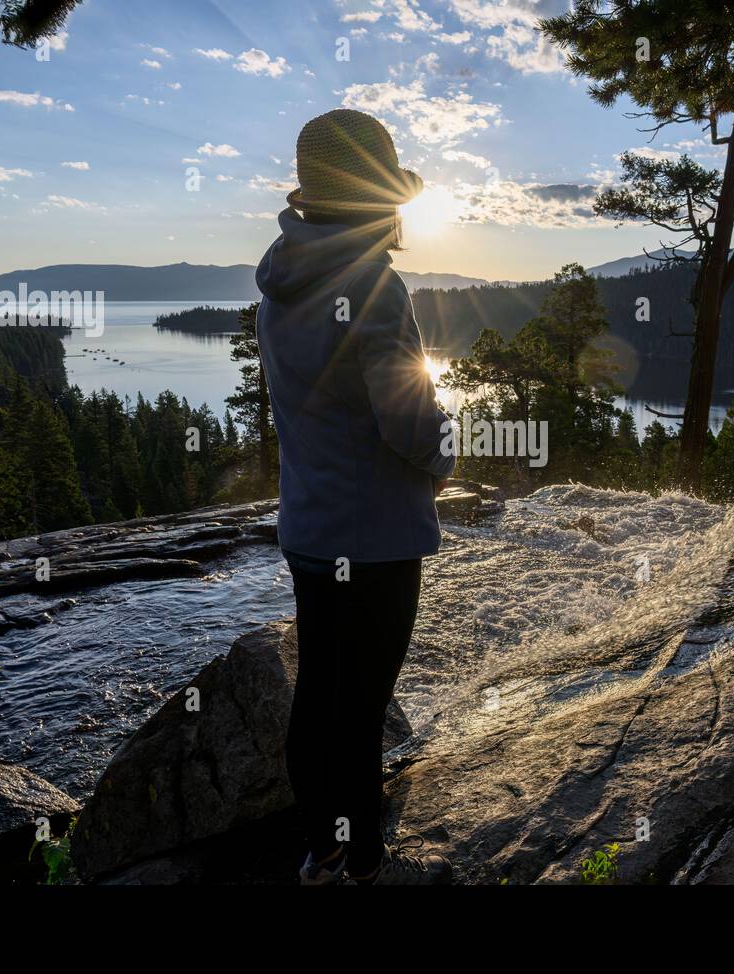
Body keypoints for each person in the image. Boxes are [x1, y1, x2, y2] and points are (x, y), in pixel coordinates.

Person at [253, 109, 455, 885]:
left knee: (321, 693)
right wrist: (445, 450)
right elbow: (405, 416)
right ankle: (368, 865)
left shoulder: (280, 282)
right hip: (375, 538)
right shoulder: (373, 286)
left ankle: (324, 851)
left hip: (311, 529)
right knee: (364, 704)